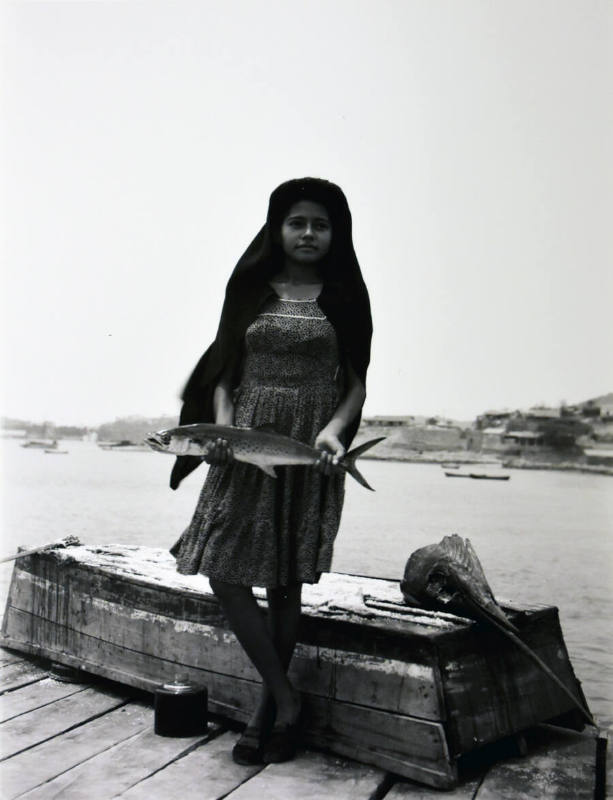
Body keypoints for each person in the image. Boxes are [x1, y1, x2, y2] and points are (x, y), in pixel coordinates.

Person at [169, 177, 372, 765]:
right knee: (224, 570)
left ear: (336, 233)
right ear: (277, 228)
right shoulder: (251, 288)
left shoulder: (346, 296)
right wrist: (226, 431)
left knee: (284, 580)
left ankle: (268, 713)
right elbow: (226, 369)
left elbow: (356, 381)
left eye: (321, 224)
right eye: (297, 222)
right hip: (246, 442)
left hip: (307, 442)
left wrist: (334, 432)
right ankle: (287, 696)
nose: (308, 233)